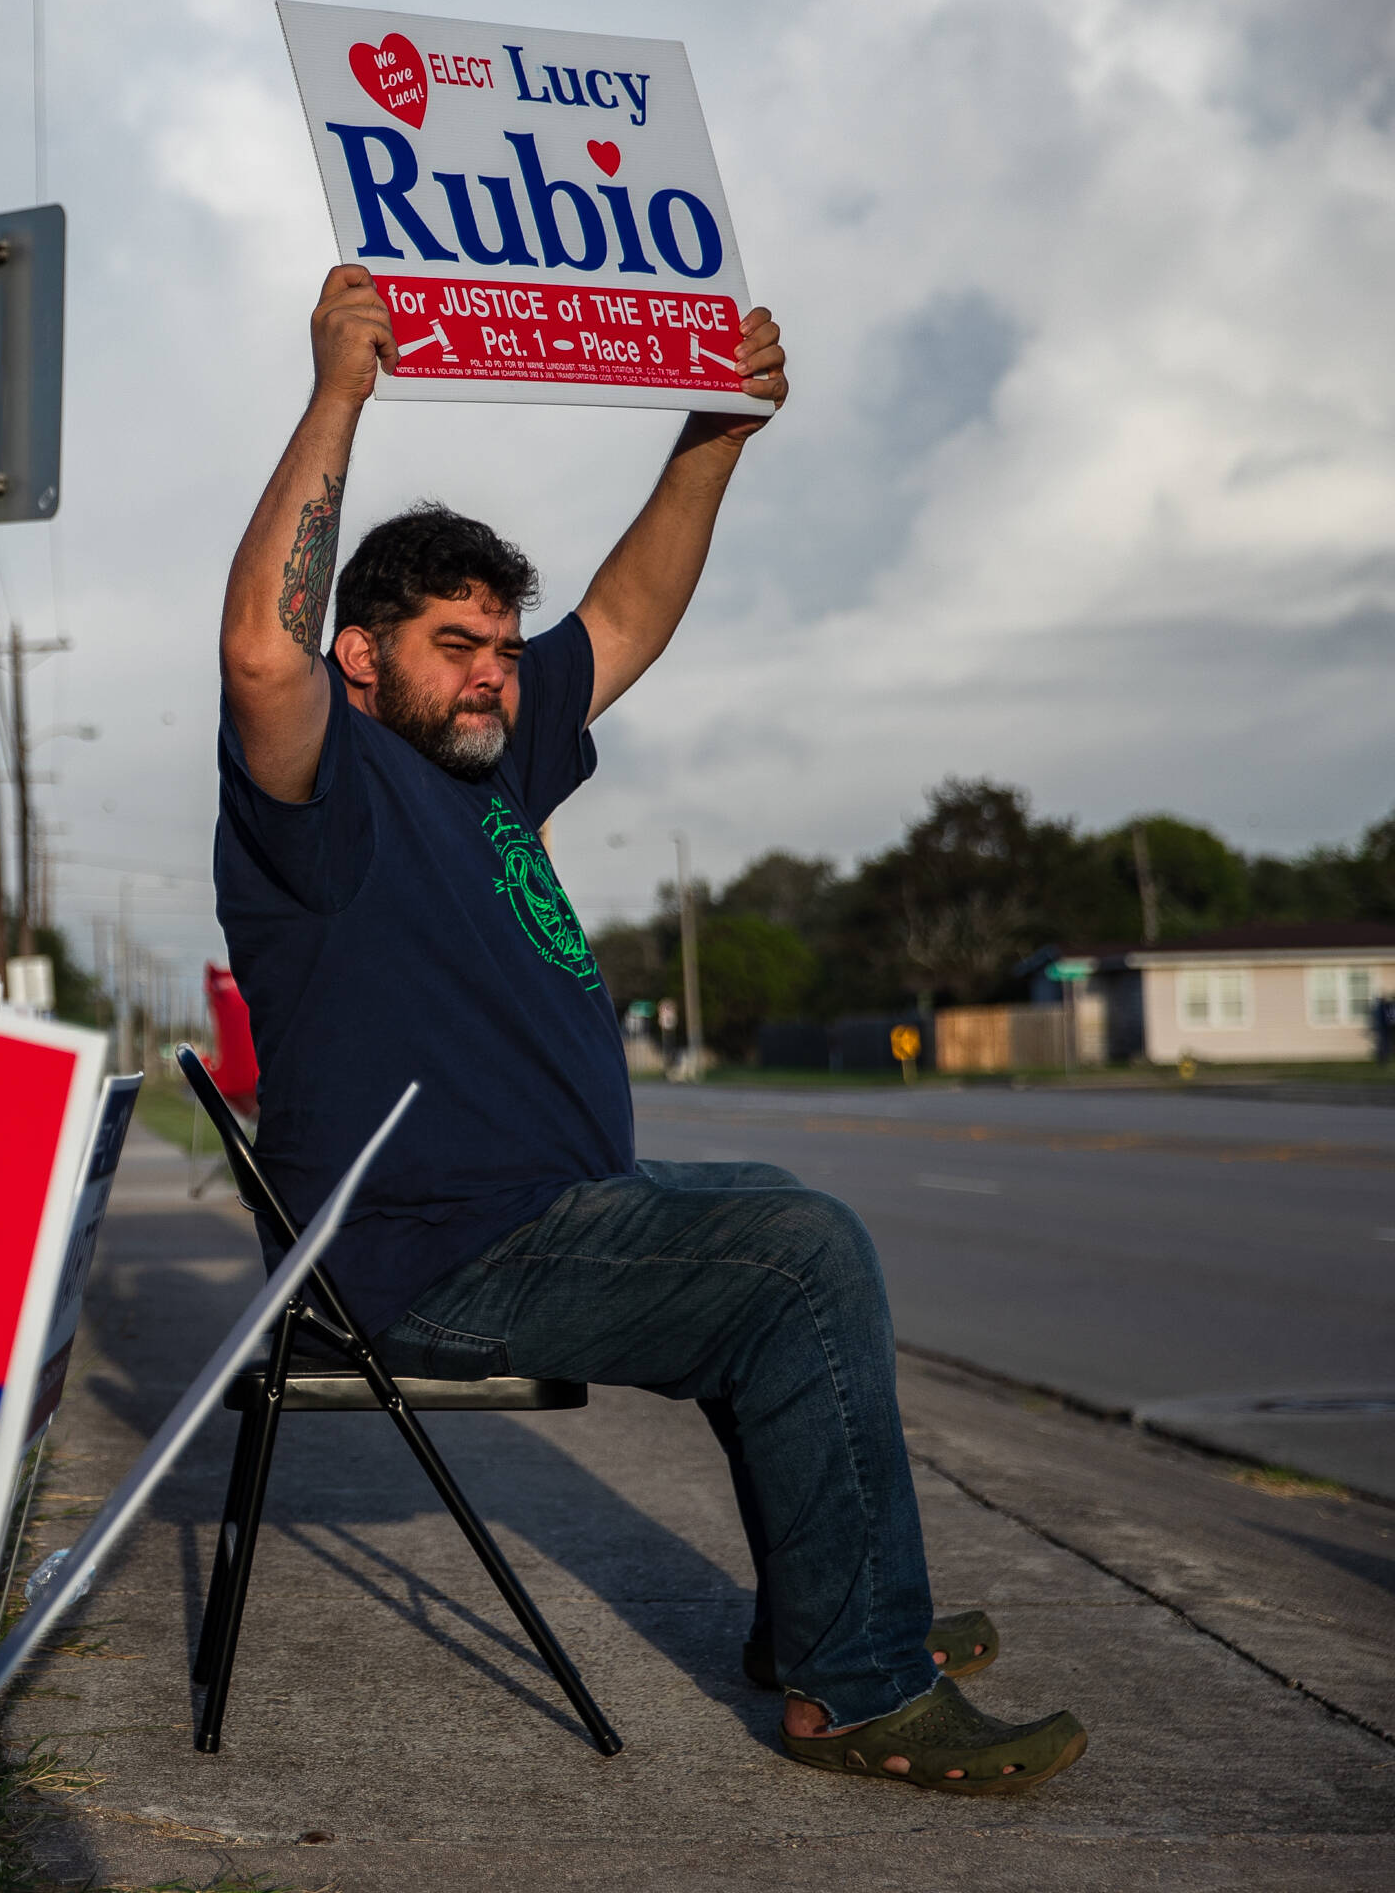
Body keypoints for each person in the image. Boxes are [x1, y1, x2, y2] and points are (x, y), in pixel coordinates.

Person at [211, 265, 1087, 1795]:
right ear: (364, 657)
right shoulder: (324, 785)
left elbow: (626, 614)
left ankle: (831, 1613)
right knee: (795, 1254)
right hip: (429, 1254)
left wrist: (713, 433)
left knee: (779, 1216)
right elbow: (259, 655)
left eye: (502, 647)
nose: (491, 673)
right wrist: (340, 392)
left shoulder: (490, 760)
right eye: (454, 645)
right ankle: (857, 1685)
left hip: (541, 1213)